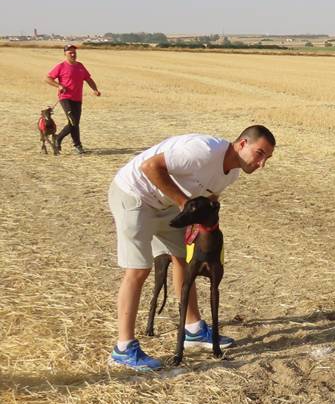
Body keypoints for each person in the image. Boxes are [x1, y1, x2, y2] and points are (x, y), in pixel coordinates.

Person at [107, 125, 276, 370]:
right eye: (260, 153)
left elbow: (208, 200)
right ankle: (123, 348)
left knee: (185, 260)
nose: (262, 164)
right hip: (135, 195)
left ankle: (194, 329)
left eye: (267, 158)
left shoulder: (231, 174)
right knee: (138, 270)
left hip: (167, 206)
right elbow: (150, 167)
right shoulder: (203, 151)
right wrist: (184, 203)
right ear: (242, 144)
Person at [45, 44, 101, 154]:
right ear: (65, 54)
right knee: (73, 121)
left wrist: (95, 89)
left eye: (74, 52)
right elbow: (48, 78)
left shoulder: (80, 66)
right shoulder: (61, 66)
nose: (73, 54)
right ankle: (67, 141)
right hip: (65, 98)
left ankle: (74, 144)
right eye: (70, 52)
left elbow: (88, 79)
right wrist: (59, 86)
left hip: (77, 99)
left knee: (75, 123)